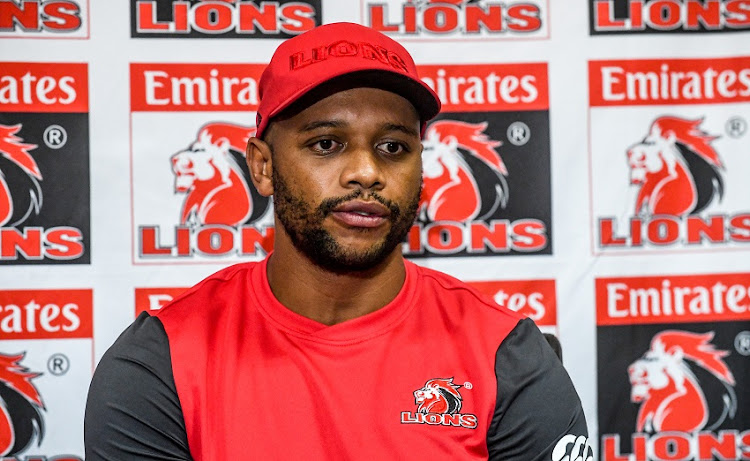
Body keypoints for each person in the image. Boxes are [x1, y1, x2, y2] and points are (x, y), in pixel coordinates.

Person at [85, 22, 592, 460]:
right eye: (326, 144)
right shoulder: (159, 364)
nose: (367, 172)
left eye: (394, 146)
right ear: (262, 166)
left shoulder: (507, 355)